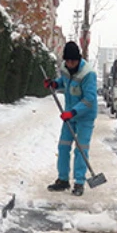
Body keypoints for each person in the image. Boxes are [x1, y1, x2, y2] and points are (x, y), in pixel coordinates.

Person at [45, 41, 98, 196]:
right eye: (67, 61)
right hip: (70, 114)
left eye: (73, 61)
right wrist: (54, 84)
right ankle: (62, 179)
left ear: (78, 59)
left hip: (84, 116)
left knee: (81, 149)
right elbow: (65, 83)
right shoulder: (65, 68)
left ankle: (79, 182)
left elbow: (89, 99)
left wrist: (73, 112)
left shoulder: (88, 74)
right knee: (63, 146)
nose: (70, 64)